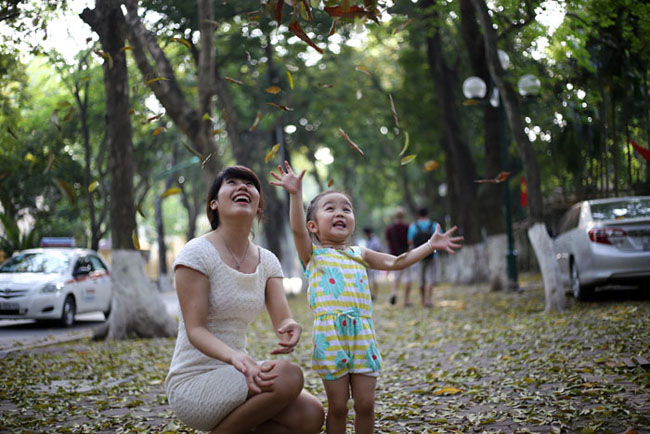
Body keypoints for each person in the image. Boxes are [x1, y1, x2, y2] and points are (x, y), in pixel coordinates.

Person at [271, 161, 463, 434]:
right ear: (313, 225)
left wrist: (430, 245)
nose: (340, 212)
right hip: (331, 337)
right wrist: (295, 195)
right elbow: (296, 230)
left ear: (353, 222)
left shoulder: (360, 253)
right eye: (331, 208)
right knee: (337, 408)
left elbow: (397, 262)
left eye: (346, 209)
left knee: (366, 405)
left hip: (362, 336)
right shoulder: (312, 256)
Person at [165, 166, 324, 434]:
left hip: (240, 372)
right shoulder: (196, 253)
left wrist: (290, 327)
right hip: (195, 382)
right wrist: (236, 357)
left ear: (259, 205)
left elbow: (282, 318)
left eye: (250, 185)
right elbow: (195, 330)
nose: (243, 187)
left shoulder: (267, 261)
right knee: (289, 376)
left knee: (311, 415)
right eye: (232, 183)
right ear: (214, 204)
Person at [407, 207, 440, 308]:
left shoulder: (413, 226)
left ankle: (422, 299)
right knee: (430, 278)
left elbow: (410, 241)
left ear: (418, 215)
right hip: (432, 254)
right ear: (428, 214)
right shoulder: (434, 225)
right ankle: (428, 300)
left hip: (419, 256)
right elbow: (439, 238)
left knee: (421, 279)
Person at [384, 207, 412, 306]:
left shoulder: (389, 229)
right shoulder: (408, 227)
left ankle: (394, 292)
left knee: (396, 278)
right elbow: (410, 241)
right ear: (403, 216)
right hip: (406, 256)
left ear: (394, 216)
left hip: (394, 256)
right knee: (407, 278)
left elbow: (387, 243)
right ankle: (406, 300)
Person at [362, 227, 382, 300]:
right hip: (368, 263)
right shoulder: (368, 240)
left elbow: (378, 250)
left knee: (374, 279)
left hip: (374, 262)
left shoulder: (375, 240)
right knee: (368, 279)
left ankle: (375, 294)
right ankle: (371, 294)